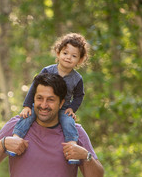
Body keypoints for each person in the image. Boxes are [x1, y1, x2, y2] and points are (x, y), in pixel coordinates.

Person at [6, 33, 89, 165]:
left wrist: (72, 109)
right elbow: (34, 87)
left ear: (79, 60)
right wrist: (27, 105)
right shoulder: (48, 70)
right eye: (65, 53)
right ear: (58, 53)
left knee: (69, 123)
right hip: (42, 105)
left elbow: (79, 96)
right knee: (27, 116)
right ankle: (16, 138)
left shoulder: (77, 79)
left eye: (74, 56)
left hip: (63, 108)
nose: (68, 58)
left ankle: (72, 147)